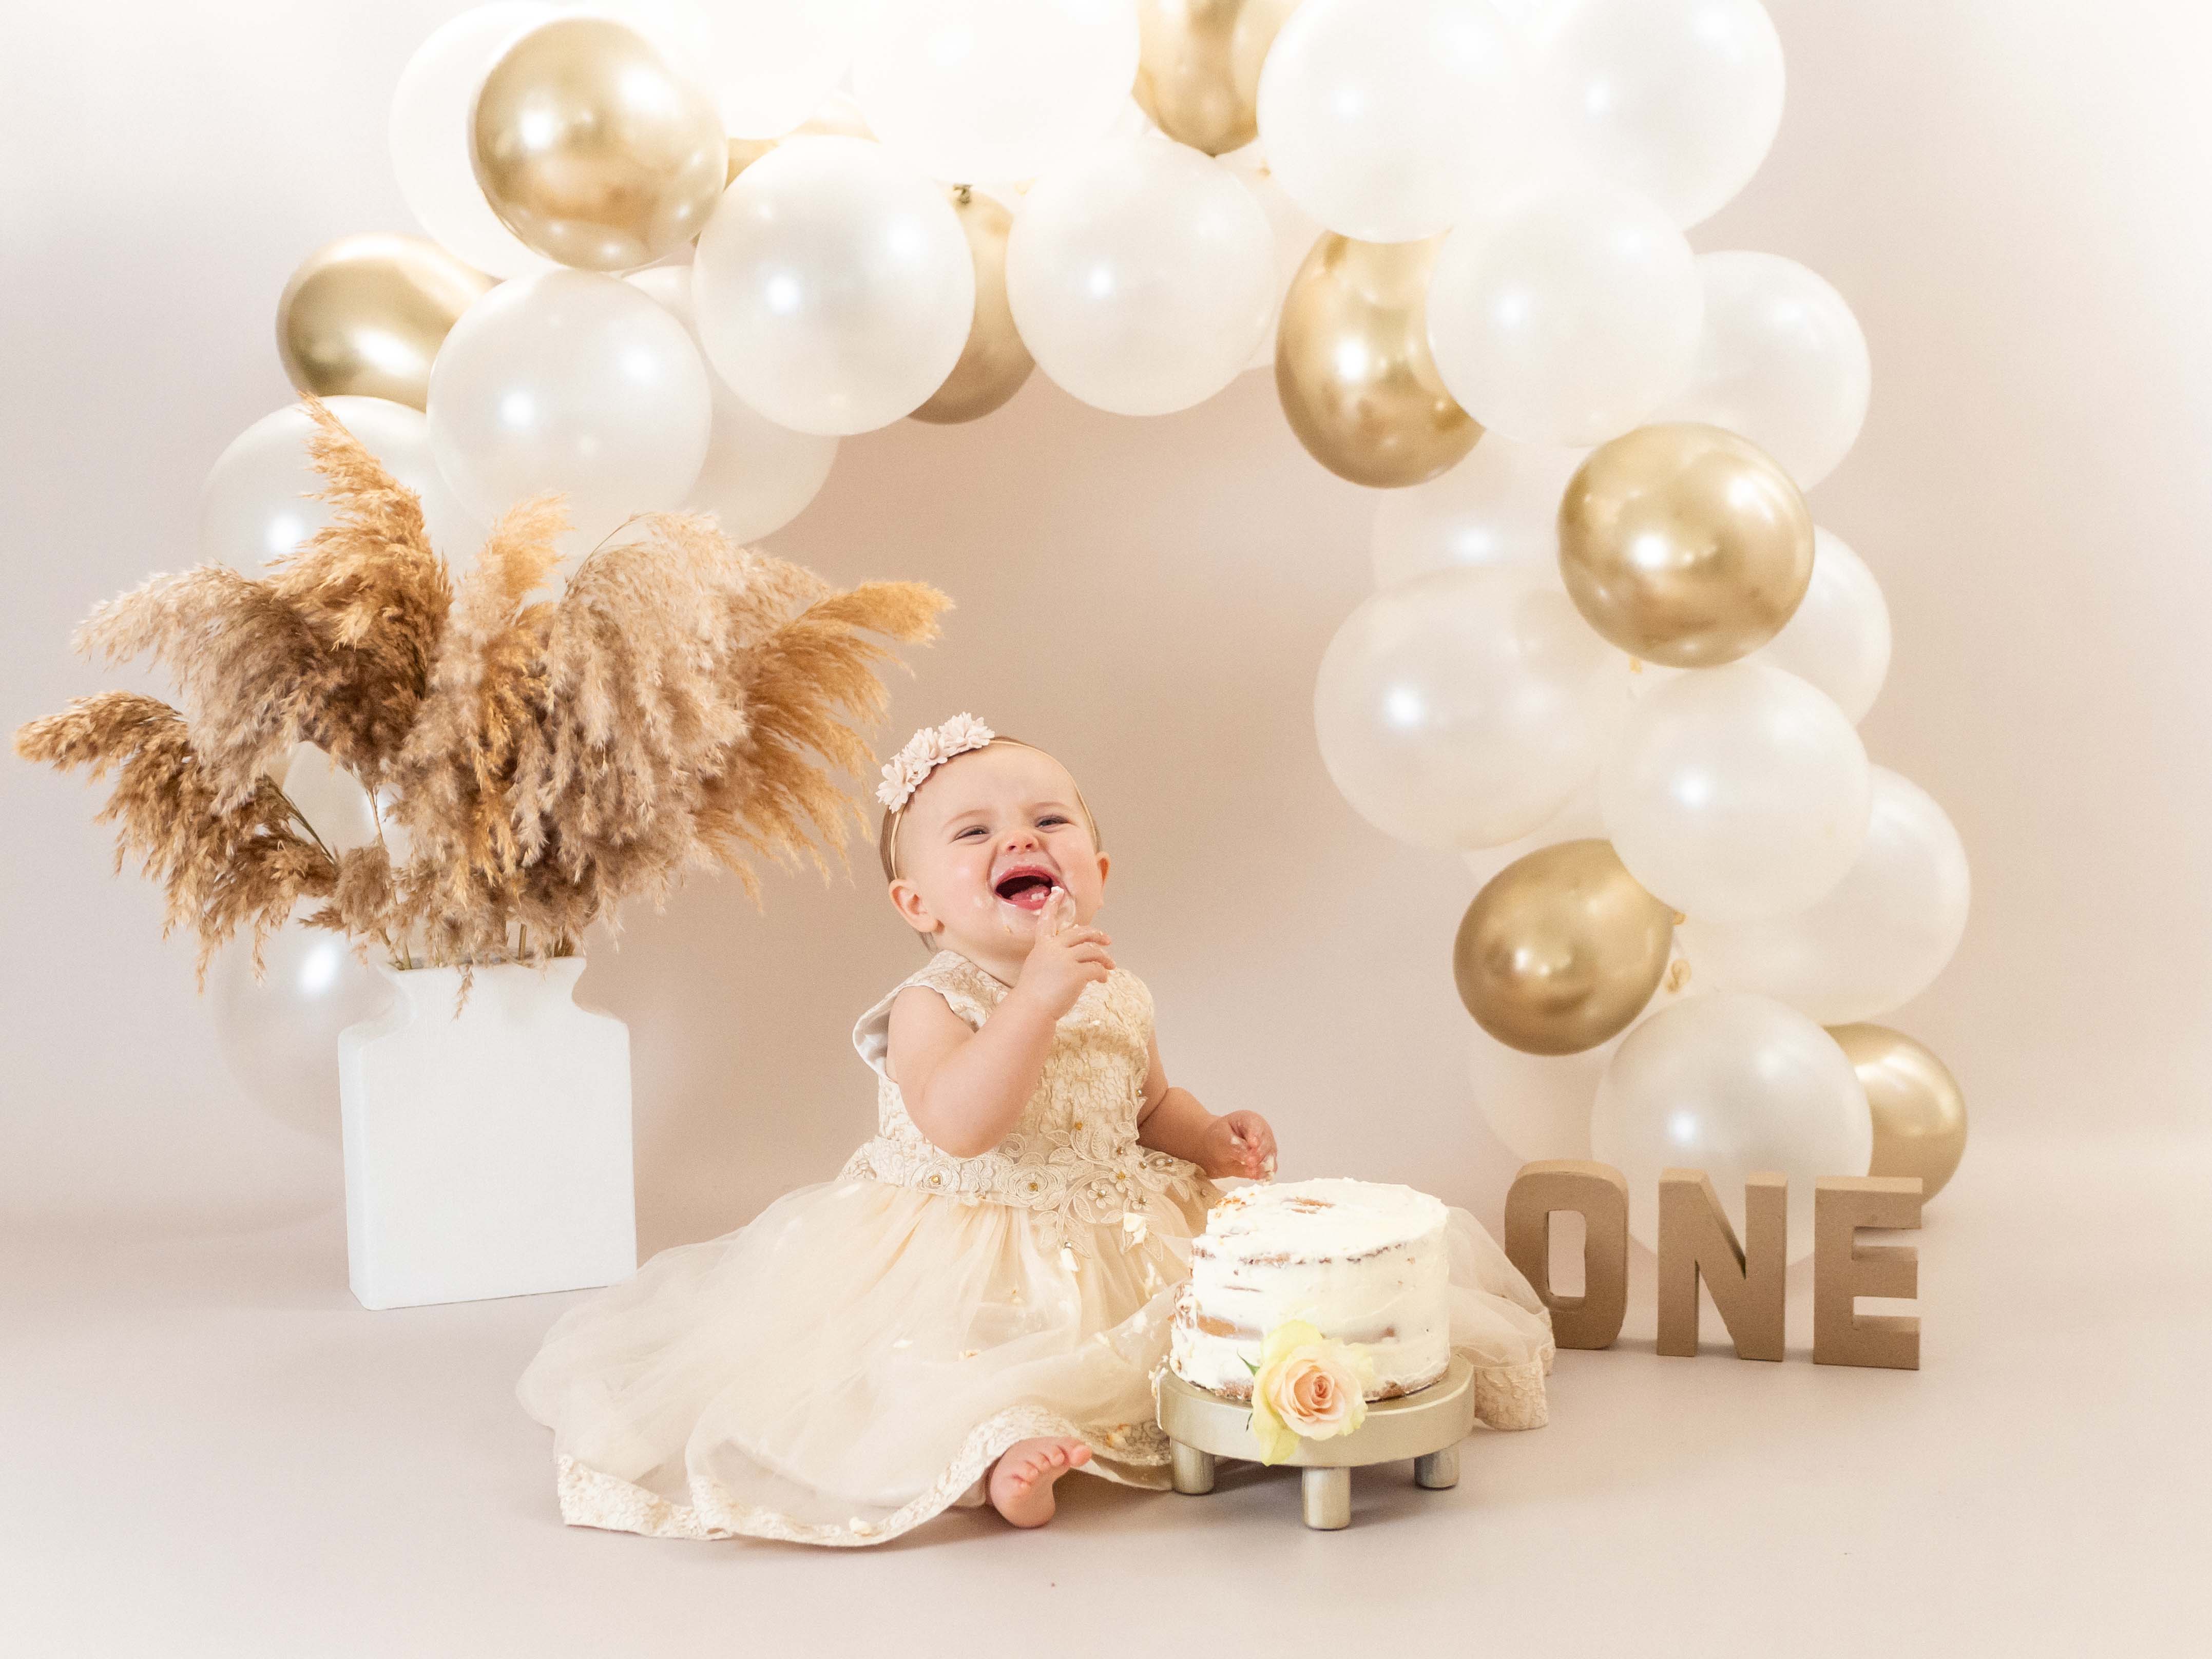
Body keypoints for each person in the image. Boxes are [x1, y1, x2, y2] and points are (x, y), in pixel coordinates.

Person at [518, 714, 1548, 1547]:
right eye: (973, 833)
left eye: (1047, 820)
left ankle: (1092, 1429)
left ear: (1095, 870)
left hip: (1118, 1227)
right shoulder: (930, 1003)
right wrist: (1035, 1002)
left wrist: (1208, 1139)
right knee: (951, 1359)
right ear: (917, 903)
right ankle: (990, 1457)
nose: (1018, 840)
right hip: (967, 1241)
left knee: (1209, 1334)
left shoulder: (1118, 989)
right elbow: (961, 1124)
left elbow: (1146, 1105)